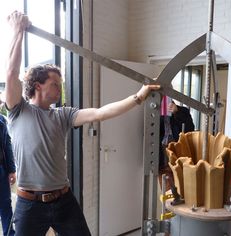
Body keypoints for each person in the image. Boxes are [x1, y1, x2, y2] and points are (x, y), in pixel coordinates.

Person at [5, 11, 160, 236]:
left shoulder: (63, 115)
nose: (60, 89)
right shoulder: (18, 110)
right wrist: (17, 31)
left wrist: (139, 96)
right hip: (29, 204)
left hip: (63, 200)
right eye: (55, 84)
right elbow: (10, 73)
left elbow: (99, 113)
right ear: (37, 85)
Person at [159, 97, 195, 190]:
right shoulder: (154, 113)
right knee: (166, 188)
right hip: (162, 153)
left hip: (178, 150)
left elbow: (190, 129)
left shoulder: (183, 111)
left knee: (182, 185)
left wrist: (177, 112)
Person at [0, 114, 16, 236]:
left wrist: (11, 170)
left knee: (5, 204)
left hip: (1, 169)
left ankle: (9, 233)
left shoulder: (1, 120)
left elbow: (7, 145)